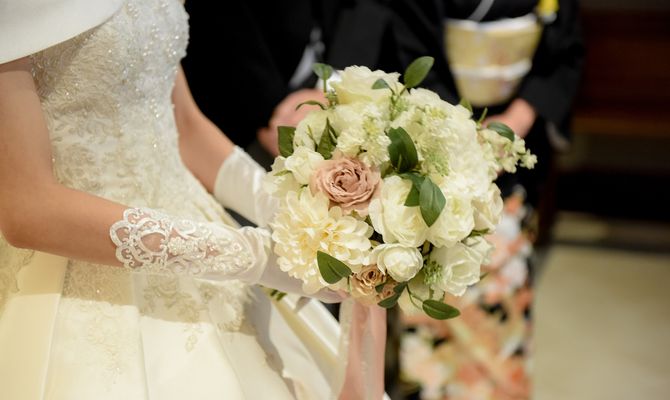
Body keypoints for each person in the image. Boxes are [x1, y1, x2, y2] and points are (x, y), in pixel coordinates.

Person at [0, 0, 378, 398]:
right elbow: (27, 210)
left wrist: (289, 213)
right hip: (77, 266)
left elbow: (183, 126)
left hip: (194, 225)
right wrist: (255, 256)